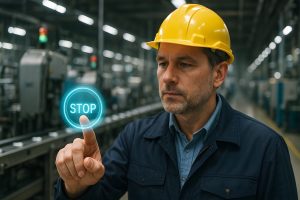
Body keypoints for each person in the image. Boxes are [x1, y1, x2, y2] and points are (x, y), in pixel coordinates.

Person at [54, 4, 298, 200]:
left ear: (219, 74)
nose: (168, 76)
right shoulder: (135, 138)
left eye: (184, 64)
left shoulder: (265, 148)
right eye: (162, 63)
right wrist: (75, 188)